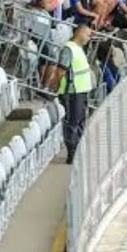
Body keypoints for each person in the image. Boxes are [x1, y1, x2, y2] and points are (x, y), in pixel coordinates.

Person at [45, 25, 95, 165]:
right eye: (87, 34)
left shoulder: (78, 48)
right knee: (72, 122)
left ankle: (78, 150)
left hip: (81, 91)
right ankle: (72, 153)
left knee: (80, 122)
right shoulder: (69, 49)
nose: (89, 38)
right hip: (72, 92)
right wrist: (54, 87)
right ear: (79, 33)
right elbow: (60, 71)